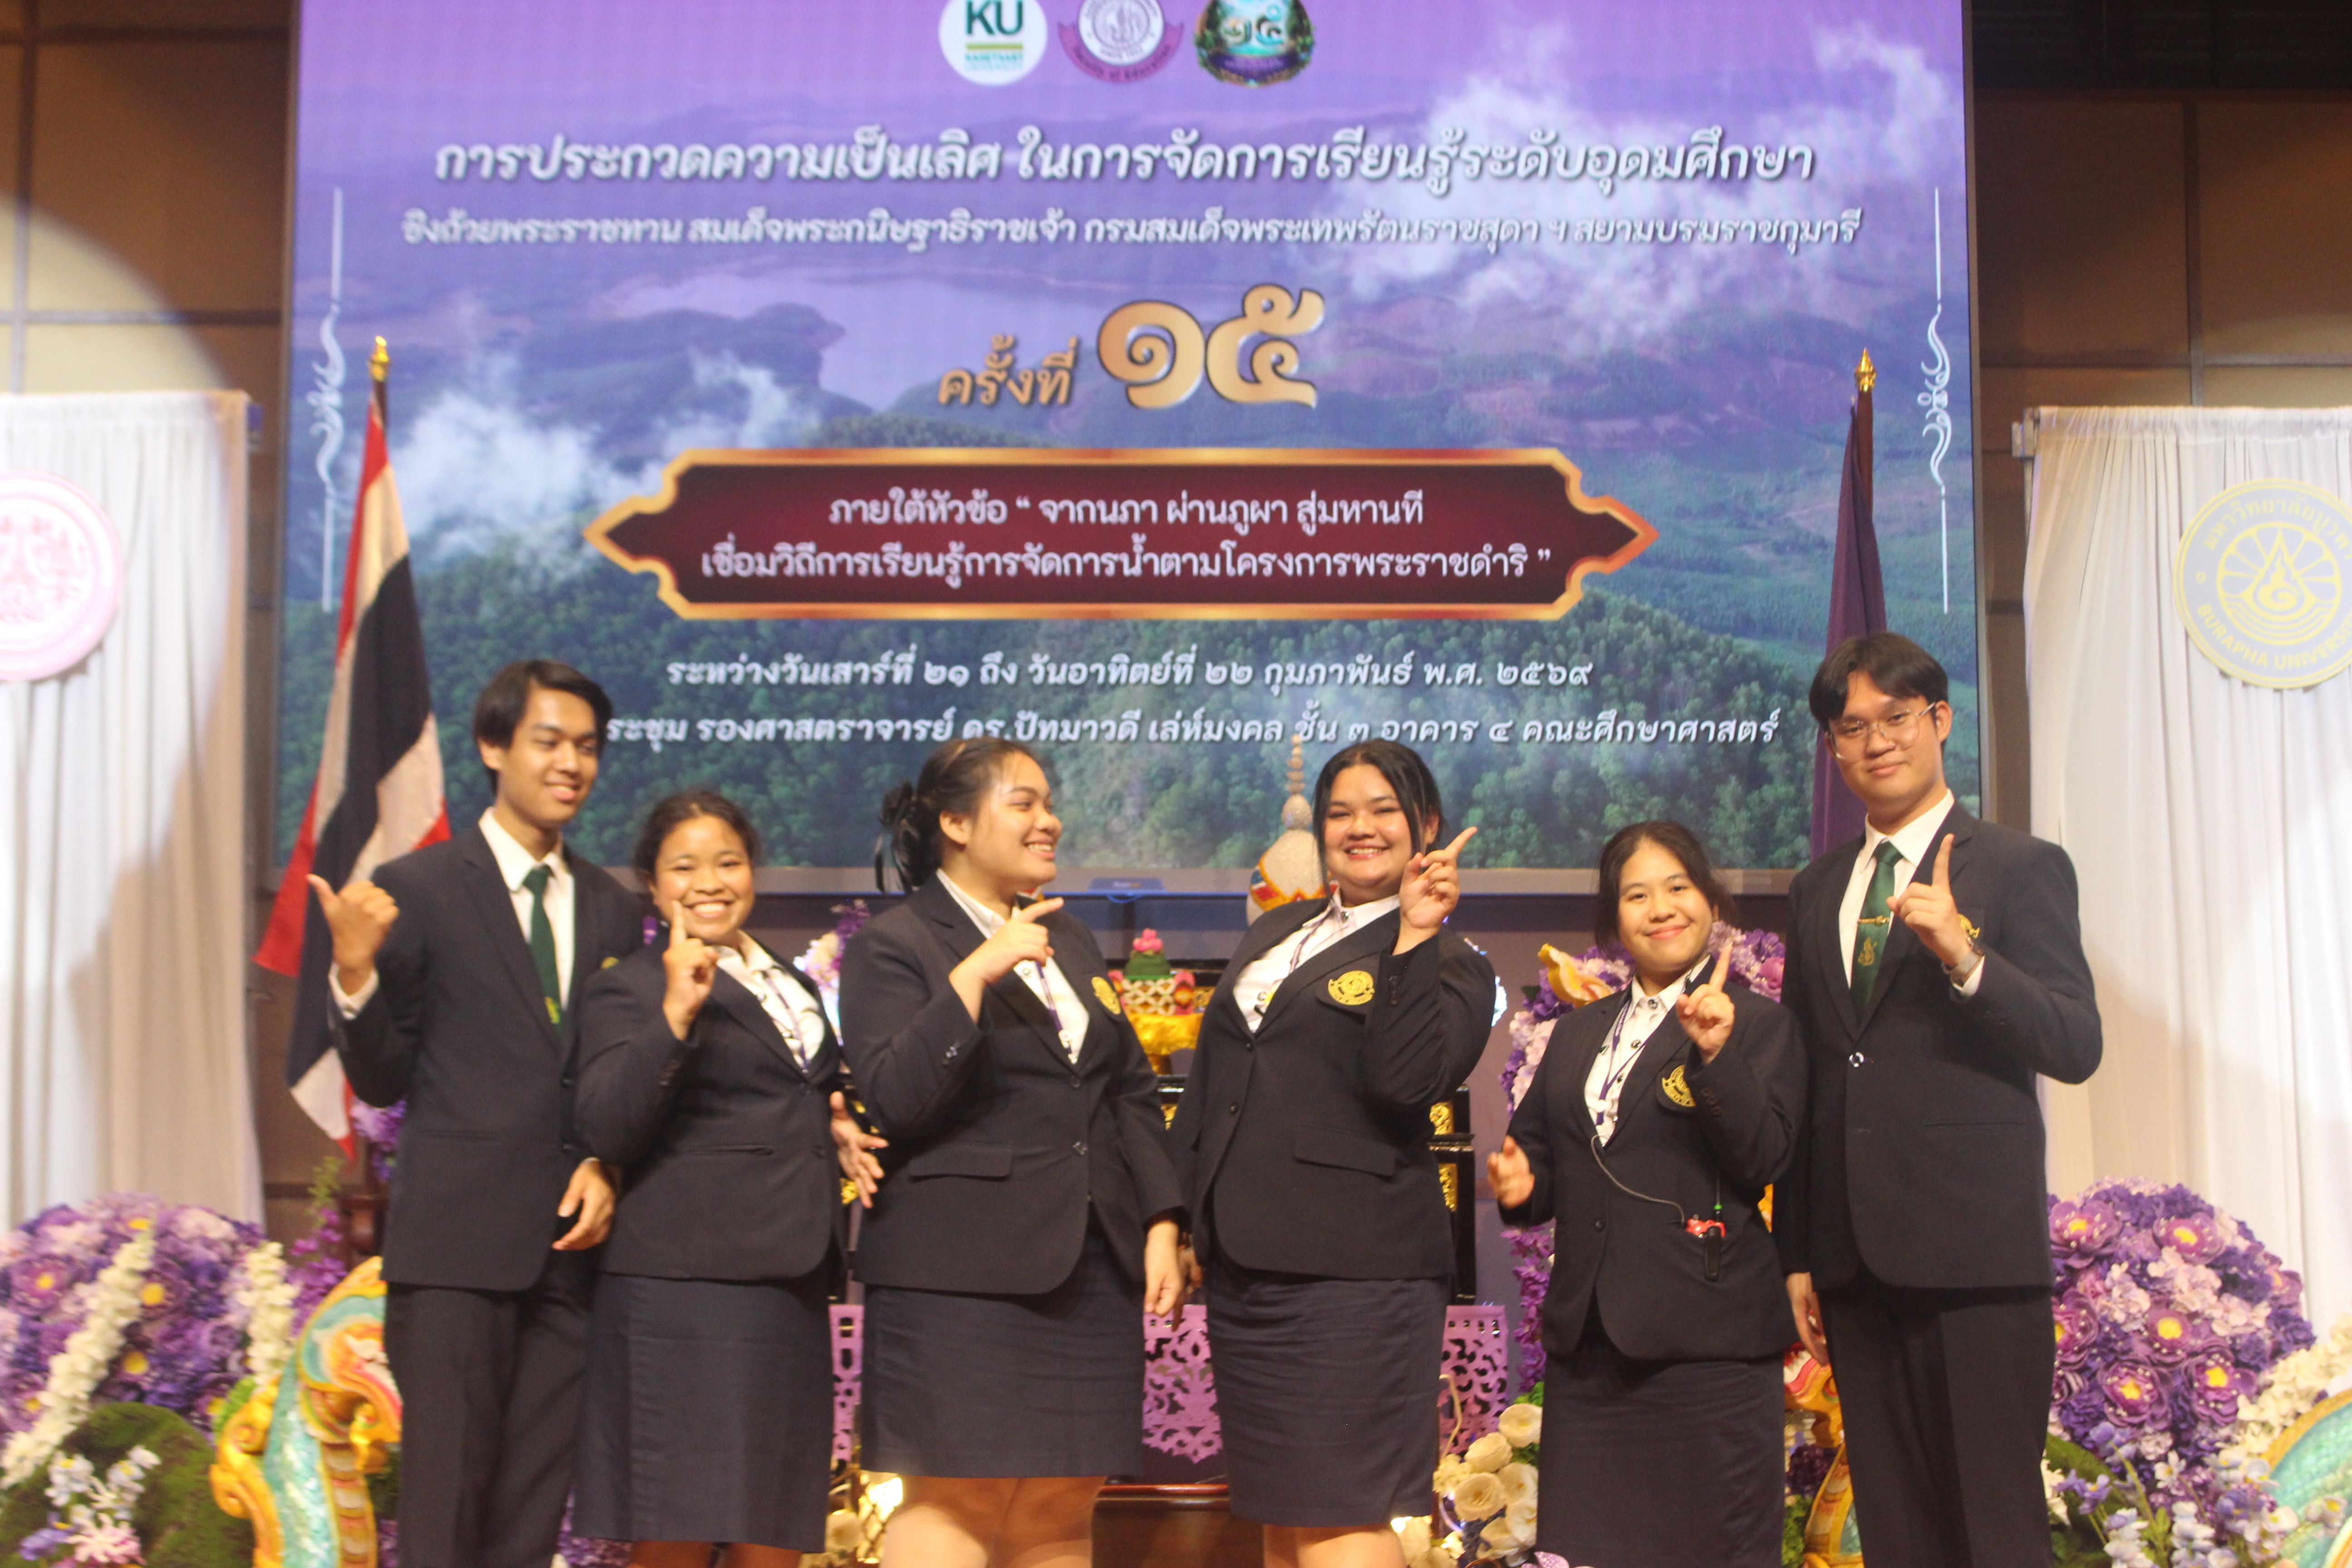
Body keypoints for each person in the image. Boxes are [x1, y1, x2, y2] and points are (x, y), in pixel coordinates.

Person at [1776, 632, 2102, 1568]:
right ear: (1833, 748)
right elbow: (1808, 1073)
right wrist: (1799, 1251)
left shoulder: (2020, 866)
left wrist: (1966, 956)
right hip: (1854, 1266)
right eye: (1852, 728)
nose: (1877, 742)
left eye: (1897, 718)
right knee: (1899, 1533)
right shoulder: (1818, 889)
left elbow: (2075, 1043)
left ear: (1942, 721)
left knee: (1994, 1529)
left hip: (1974, 1261)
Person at [306, 659, 641, 1568]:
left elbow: (611, 1073)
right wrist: (354, 973)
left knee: (528, 1524)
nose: (571, 764)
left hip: (570, 1258)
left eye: (588, 748)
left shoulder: (613, 908)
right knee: (446, 1514)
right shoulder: (418, 887)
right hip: (456, 1256)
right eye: (549, 742)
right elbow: (382, 1079)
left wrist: (608, 1164)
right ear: (494, 747)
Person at [839, 737, 1189, 1568]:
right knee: (955, 1496)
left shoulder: (1066, 938)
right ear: (956, 823)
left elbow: (1126, 1089)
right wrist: (973, 977)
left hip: (1089, 1267)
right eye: (1023, 803)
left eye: (1049, 804)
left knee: (1063, 1499)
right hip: (957, 1273)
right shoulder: (896, 943)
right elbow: (893, 1098)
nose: (1049, 821)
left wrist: (1162, 1220)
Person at [1171, 739, 1494, 1568]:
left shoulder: (1455, 964)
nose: (1360, 828)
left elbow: (1404, 1083)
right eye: (1341, 812)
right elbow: (1214, 1081)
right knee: (1286, 1519)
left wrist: (1415, 934)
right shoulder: (1277, 929)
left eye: (1383, 810)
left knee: (1342, 1517)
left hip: (1359, 1274)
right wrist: (1178, 1214)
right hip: (1247, 1271)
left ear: (1426, 824)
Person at [572, 790, 887, 1568]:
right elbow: (607, 1126)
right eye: (685, 867)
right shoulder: (630, 987)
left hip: (786, 1284)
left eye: (729, 862)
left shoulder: (788, 980)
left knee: (773, 1528)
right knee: (676, 1528)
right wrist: (675, 1014)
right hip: (682, 1293)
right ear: (653, 886)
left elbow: (798, 1089)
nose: (710, 882)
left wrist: (837, 1126)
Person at [1487, 821, 1805, 1568]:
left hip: (1709, 1351)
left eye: (1677, 887)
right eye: (1637, 895)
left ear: (1710, 902)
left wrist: (1716, 1055)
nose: (1661, 908)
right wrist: (1522, 1185)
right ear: (1615, 918)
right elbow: (1541, 1158)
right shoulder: (1576, 1035)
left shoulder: (1759, 1025)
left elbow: (1764, 1157)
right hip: (1592, 1355)